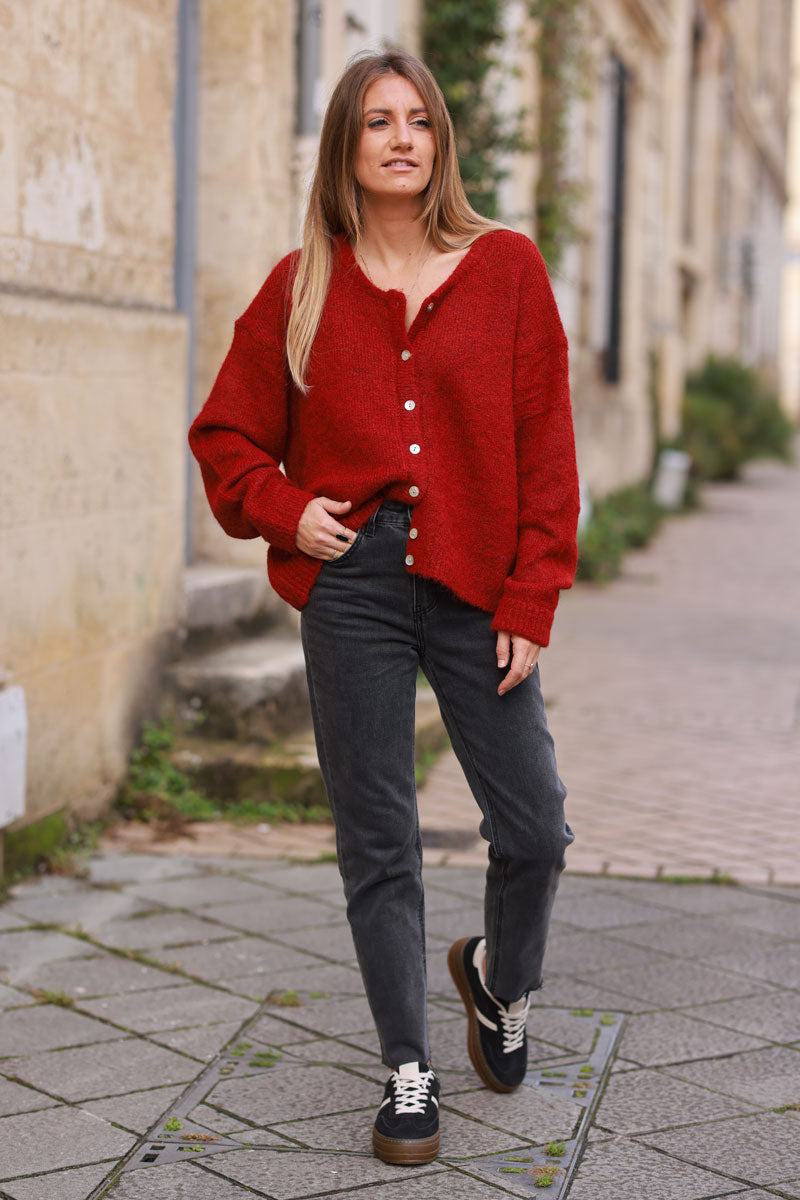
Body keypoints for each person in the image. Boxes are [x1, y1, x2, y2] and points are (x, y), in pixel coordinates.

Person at [188, 48, 579, 1167]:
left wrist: (532, 592)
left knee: (535, 826)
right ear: (346, 150)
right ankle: (406, 1068)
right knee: (379, 839)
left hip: (474, 583)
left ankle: (498, 982)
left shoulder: (505, 270)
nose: (400, 138)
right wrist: (283, 510)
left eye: (416, 120)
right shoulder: (301, 284)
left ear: (439, 140)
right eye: (375, 123)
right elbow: (225, 437)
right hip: (352, 588)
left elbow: (544, 451)